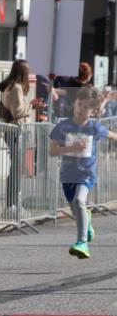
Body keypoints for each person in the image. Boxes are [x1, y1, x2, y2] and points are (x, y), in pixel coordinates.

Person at [49, 87, 117, 259]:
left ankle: (82, 242)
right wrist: (72, 148)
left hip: (86, 174)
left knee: (80, 200)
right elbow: (52, 151)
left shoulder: (94, 128)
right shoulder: (63, 126)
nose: (80, 108)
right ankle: (87, 222)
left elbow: (112, 135)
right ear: (74, 104)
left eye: (86, 106)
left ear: (92, 111)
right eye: (79, 104)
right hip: (67, 175)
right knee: (75, 207)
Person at [0, 59, 47, 213]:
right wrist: (33, 106)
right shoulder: (16, 88)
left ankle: (12, 204)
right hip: (15, 131)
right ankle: (12, 205)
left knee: (16, 168)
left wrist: (30, 103)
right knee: (16, 169)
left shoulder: (9, 86)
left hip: (10, 131)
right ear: (24, 73)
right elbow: (17, 112)